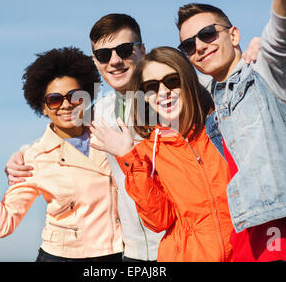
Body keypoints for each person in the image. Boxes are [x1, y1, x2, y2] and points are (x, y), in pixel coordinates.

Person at [5, 13, 286, 261]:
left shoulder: (196, 97)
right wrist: (19, 158)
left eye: (125, 50)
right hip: (136, 254)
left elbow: (260, 115)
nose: (115, 60)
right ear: (96, 62)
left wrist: (252, 54)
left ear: (141, 50)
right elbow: (59, 134)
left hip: (213, 247)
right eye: (103, 55)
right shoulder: (95, 115)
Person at [175, 0, 286, 261]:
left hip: (283, 231)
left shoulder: (268, 75)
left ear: (233, 35)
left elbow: (285, 34)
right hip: (241, 236)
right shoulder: (209, 101)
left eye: (207, 34)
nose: (200, 47)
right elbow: (157, 87)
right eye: (189, 45)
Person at [0, 47, 123, 262]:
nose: (65, 105)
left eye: (74, 96)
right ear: (44, 108)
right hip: (62, 257)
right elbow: (3, 225)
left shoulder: (110, 132)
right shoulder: (34, 158)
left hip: (118, 254)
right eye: (54, 100)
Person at [90, 46, 234, 261]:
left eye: (172, 81)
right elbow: (158, 220)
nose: (163, 91)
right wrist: (128, 156)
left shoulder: (224, 130)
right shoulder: (148, 152)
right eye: (151, 87)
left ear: (188, 81)